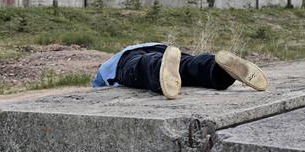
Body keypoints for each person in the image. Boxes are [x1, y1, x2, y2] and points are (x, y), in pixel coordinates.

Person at [93, 43, 268, 99]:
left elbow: (99, 93)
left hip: (125, 60)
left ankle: (160, 71)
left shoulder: (103, 72)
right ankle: (219, 69)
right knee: (190, 66)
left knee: (143, 66)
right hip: (162, 47)